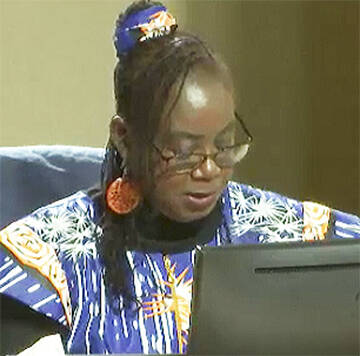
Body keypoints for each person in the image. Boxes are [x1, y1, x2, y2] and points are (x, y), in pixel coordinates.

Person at [0, 1, 359, 354]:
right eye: (183, 152)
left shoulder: (286, 233)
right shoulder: (48, 263)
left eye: (224, 145)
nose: (208, 169)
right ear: (124, 138)